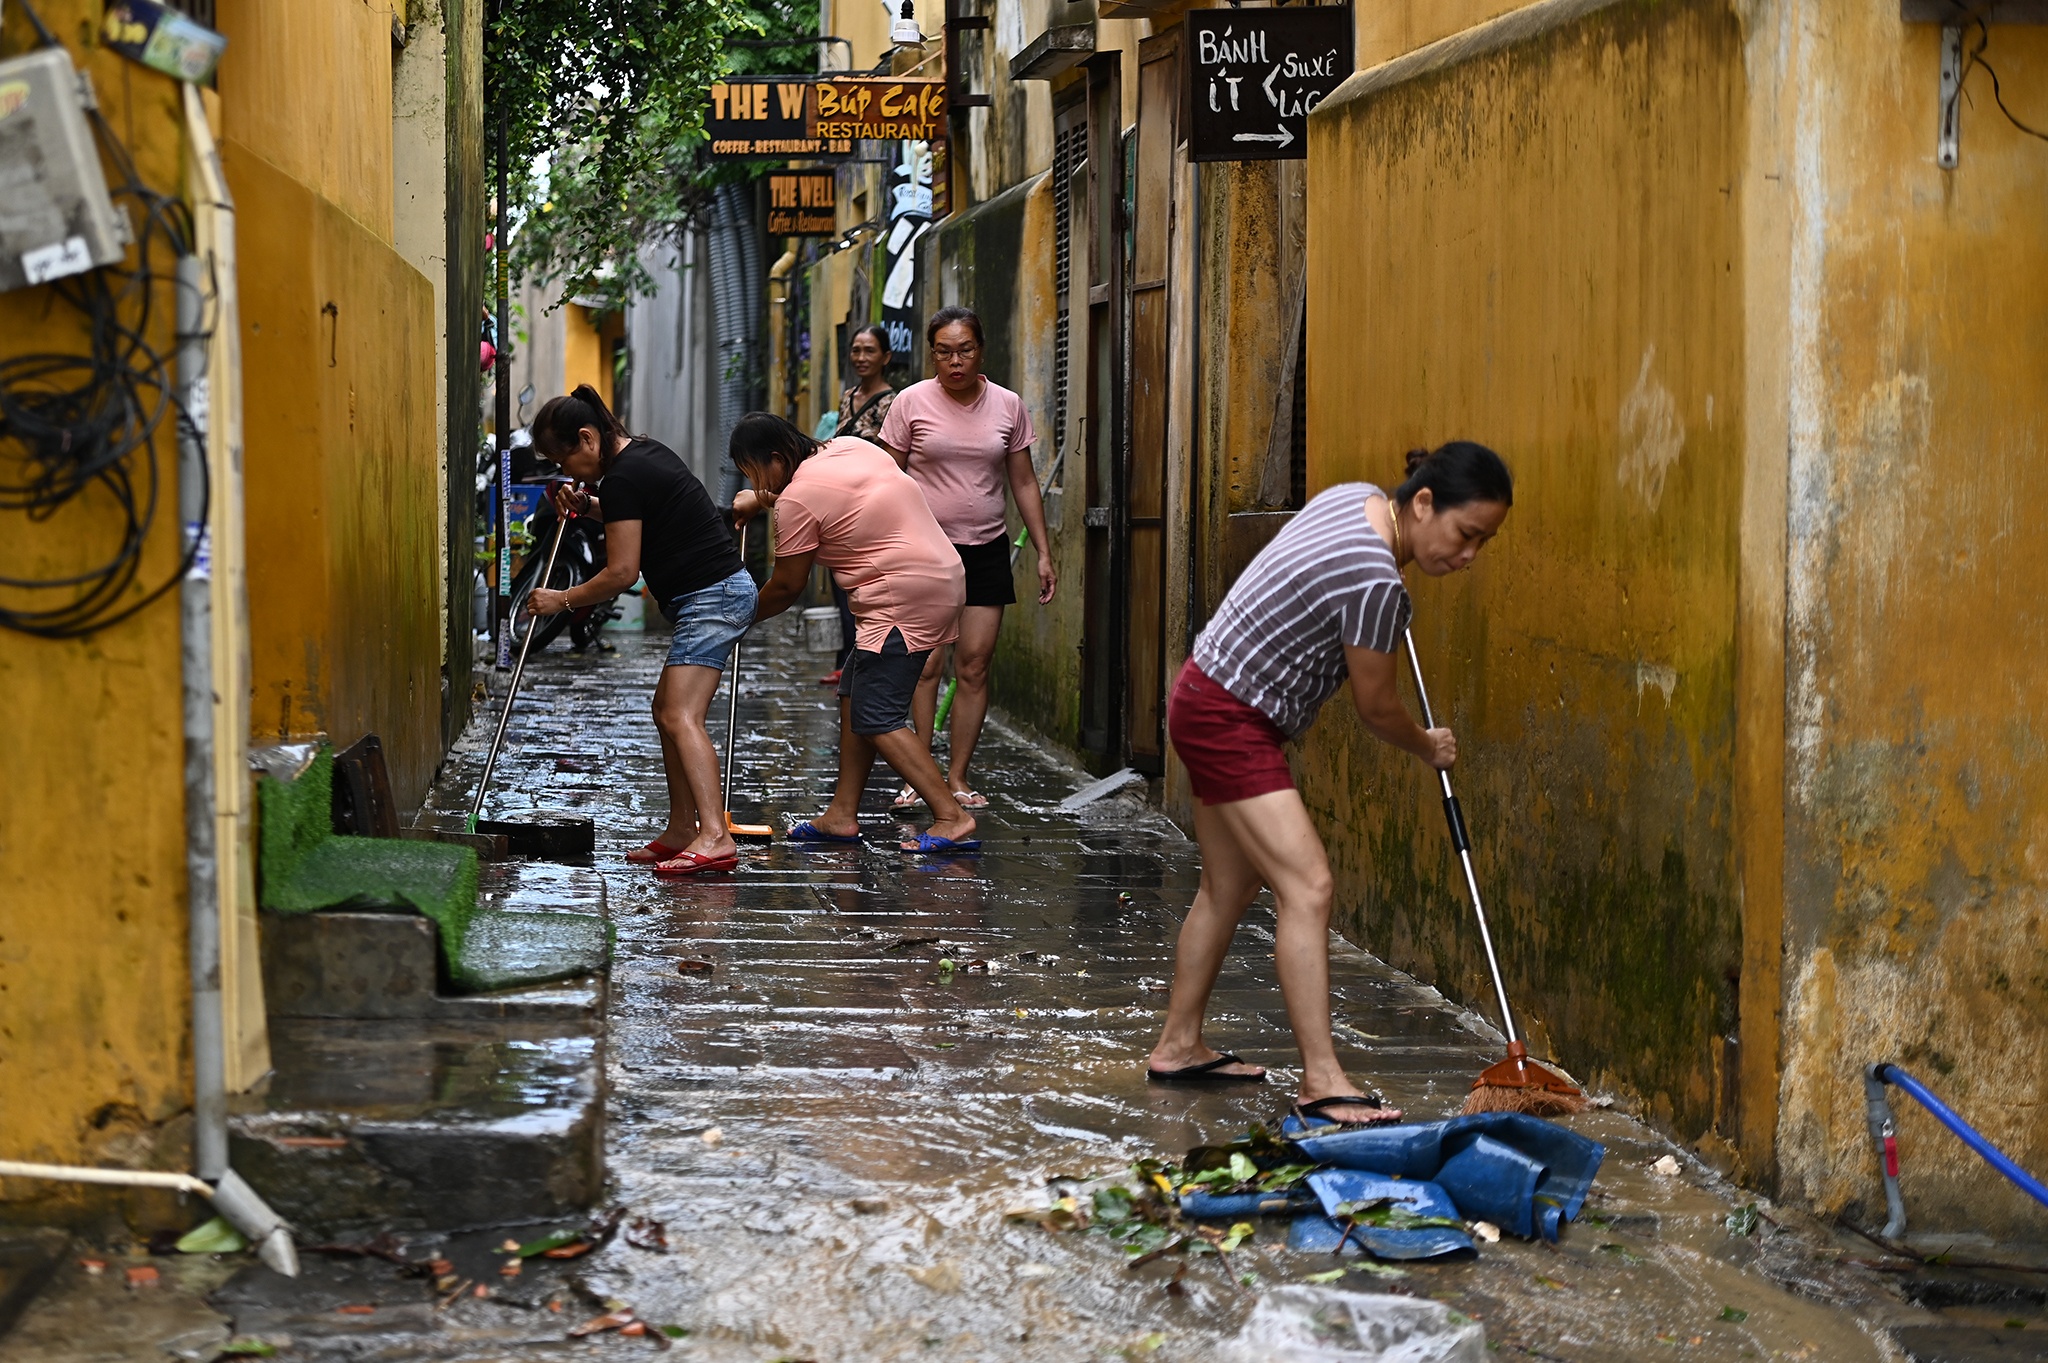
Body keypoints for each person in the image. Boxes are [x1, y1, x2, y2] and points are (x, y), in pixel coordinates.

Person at [1144, 442, 1513, 1130]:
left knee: (1228, 887)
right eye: (1466, 535)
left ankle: (1179, 1043)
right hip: (1231, 717)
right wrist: (1426, 744)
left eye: (1482, 544)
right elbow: (1377, 708)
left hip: (1202, 689)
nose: (1467, 557)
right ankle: (1322, 1080)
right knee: (1309, 886)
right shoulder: (1377, 582)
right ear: (1425, 502)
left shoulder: (1356, 497)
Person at [526, 385, 757, 877]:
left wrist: (560, 601)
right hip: (711, 594)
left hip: (713, 596)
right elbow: (633, 516)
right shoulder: (638, 458)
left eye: (564, 461)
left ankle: (715, 836)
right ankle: (680, 829)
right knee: (665, 710)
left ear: (587, 439)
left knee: (680, 714)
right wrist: (585, 506)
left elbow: (621, 573)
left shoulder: (623, 477)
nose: (568, 474)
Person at [727, 413, 981, 854]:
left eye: (754, 474)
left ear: (774, 459)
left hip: (900, 598)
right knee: (853, 690)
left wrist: (734, 619)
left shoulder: (797, 501)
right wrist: (762, 501)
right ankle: (842, 814)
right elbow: (836, 498)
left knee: (877, 715)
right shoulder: (847, 448)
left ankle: (950, 815)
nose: (758, 484)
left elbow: (787, 586)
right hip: (937, 577)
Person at [877, 306, 1055, 810]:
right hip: (926, 552)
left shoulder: (1007, 405)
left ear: (981, 350)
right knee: (927, 662)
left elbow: (1022, 480)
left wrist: (1043, 550)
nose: (955, 361)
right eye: (944, 351)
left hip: (987, 548)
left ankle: (956, 776)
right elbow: (887, 480)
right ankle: (920, 774)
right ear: (932, 352)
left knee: (974, 664)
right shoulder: (909, 403)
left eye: (965, 350)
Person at [819, 324, 899, 686]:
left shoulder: (892, 402)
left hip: (870, 509)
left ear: (886, 357)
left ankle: (863, 661)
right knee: (841, 585)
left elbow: (891, 458)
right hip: (839, 505)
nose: (861, 357)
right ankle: (847, 659)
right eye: (856, 350)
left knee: (865, 586)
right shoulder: (847, 397)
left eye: (869, 351)